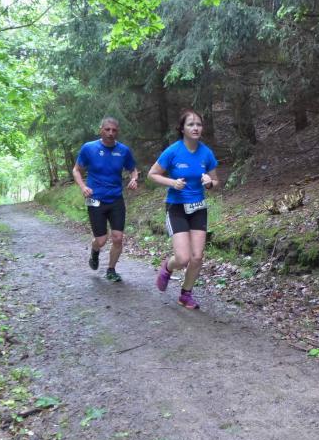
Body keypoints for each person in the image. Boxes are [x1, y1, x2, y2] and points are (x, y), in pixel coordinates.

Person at [148, 109, 220, 309]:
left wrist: (209, 183)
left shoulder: (206, 153)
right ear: (182, 129)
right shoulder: (173, 151)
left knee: (197, 257)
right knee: (182, 258)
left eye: (199, 124)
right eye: (191, 124)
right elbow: (152, 174)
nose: (196, 128)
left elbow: (215, 181)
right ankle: (167, 267)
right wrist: (172, 182)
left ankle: (185, 295)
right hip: (176, 207)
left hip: (198, 208)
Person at [72, 117, 138, 282]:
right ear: (100, 130)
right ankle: (95, 251)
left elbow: (133, 169)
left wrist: (134, 179)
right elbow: (76, 170)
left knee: (118, 238)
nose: (110, 133)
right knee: (101, 240)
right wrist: (83, 187)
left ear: (117, 132)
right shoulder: (89, 148)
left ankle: (111, 269)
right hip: (95, 199)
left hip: (116, 199)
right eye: (107, 129)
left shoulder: (123, 150)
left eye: (114, 130)